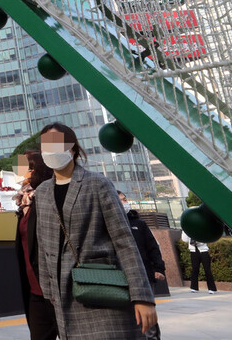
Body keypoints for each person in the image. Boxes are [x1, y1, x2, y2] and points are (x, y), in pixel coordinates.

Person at [34, 122, 157, 339]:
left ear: (72, 148)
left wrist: (142, 296)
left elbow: (124, 240)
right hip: (64, 294)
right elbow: (43, 244)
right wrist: (49, 292)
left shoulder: (98, 184)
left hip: (101, 288)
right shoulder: (42, 191)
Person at [15, 150, 59, 339]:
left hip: (58, 287)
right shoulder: (27, 206)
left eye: (27, 169)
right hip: (35, 289)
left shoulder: (51, 197)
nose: (23, 174)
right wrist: (24, 210)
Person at [118, 191, 166, 339]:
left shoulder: (139, 224)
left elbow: (153, 247)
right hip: (121, 277)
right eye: (120, 200)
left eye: (124, 199)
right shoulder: (112, 224)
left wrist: (158, 269)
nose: (124, 203)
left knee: (147, 314)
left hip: (145, 275)